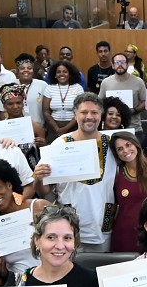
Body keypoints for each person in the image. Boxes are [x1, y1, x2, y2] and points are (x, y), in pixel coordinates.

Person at [36, 94, 119, 253]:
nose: (89, 117)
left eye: (94, 113)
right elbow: (44, 191)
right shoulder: (60, 144)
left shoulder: (113, 143)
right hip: (70, 223)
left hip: (103, 221)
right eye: (84, 112)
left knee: (100, 271)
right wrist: (39, 179)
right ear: (75, 115)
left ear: (101, 115)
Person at [110, 131, 147, 253]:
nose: (125, 150)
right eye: (120, 149)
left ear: (136, 145)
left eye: (128, 145)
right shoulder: (116, 173)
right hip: (123, 233)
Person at [42, 61, 84, 140]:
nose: (61, 74)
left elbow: (80, 111)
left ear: (70, 74)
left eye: (65, 72)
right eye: (58, 72)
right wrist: (56, 128)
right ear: (55, 74)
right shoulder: (49, 88)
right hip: (53, 127)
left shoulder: (78, 88)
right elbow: (46, 111)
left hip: (73, 126)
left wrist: (66, 128)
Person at [98, 52, 147, 117]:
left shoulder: (138, 81)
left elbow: (146, 102)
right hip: (112, 123)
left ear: (127, 65)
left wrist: (135, 110)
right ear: (112, 65)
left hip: (133, 124)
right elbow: (99, 102)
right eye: (117, 62)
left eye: (123, 62)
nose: (120, 65)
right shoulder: (105, 82)